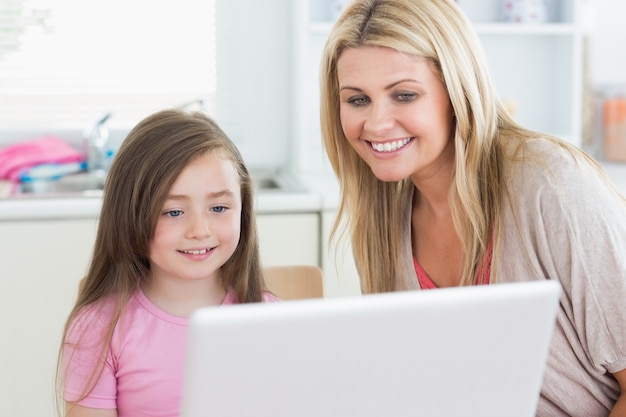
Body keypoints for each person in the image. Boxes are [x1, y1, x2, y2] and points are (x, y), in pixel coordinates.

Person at [319, 1, 626, 416]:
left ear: (457, 91)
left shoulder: (549, 185)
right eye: (357, 100)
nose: (375, 124)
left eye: (404, 95)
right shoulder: (383, 220)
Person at [56, 109, 279, 417]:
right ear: (131, 216)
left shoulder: (272, 319)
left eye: (218, 207)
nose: (200, 230)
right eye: (173, 212)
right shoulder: (99, 329)